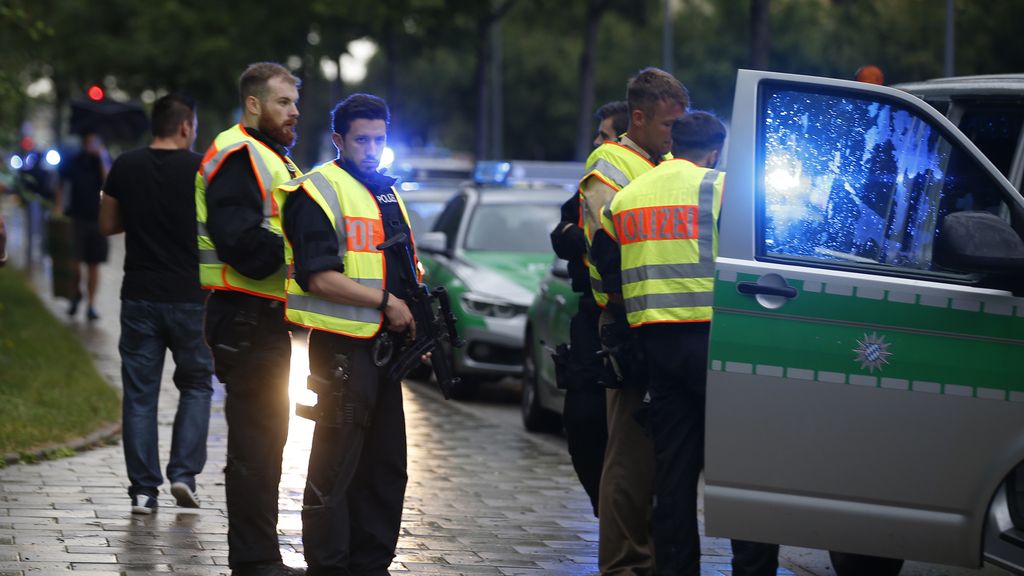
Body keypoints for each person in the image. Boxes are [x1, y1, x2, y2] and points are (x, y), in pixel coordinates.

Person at [592, 112, 780, 576]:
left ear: (674, 143)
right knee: (743, 468)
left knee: (672, 475)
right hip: (719, 344)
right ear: (714, 152)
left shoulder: (628, 197)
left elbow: (604, 270)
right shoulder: (723, 190)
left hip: (656, 347)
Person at [277, 93, 420, 576]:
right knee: (335, 467)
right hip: (342, 352)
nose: (372, 149)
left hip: (384, 351)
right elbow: (318, 277)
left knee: (386, 467)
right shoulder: (316, 191)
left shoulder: (386, 192)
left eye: (380, 140)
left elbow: (401, 269)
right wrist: (386, 303)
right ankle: (329, 566)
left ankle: (372, 565)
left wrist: (416, 324)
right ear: (339, 139)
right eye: (362, 140)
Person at [579, 67, 688, 576]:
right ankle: (624, 565)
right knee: (630, 457)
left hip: (663, 321)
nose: (674, 134)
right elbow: (608, 250)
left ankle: (649, 559)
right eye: (668, 124)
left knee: (658, 456)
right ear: (638, 118)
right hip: (628, 321)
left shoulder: (661, 162)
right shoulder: (610, 163)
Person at [196, 62, 304, 576]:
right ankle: (255, 561)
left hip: (259, 318)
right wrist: (306, 251)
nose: (294, 111)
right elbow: (240, 243)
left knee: (265, 443)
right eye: (283, 102)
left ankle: (259, 557)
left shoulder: (270, 155)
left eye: (295, 102)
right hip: (246, 317)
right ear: (254, 104)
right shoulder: (240, 154)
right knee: (256, 447)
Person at [99, 93, 214, 515]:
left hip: (139, 296)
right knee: (197, 386)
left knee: (140, 395)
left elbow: (107, 224)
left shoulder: (125, 165)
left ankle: (143, 491)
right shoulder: (204, 168)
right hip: (192, 297)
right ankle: (183, 475)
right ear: (186, 126)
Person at [549, 99, 629, 517]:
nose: (597, 142)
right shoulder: (591, 185)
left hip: (628, 320)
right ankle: (607, 510)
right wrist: (578, 237)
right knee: (581, 422)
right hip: (590, 315)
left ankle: (626, 518)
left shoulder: (637, 186)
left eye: (604, 134)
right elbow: (563, 233)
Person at [56, 131, 111, 320]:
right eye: (90, 141)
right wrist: (58, 208)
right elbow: (61, 184)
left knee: (94, 265)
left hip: (98, 219)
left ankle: (91, 305)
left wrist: (101, 156)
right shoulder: (74, 160)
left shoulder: (103, 160)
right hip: (75, 218)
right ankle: (75, 296)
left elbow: (109, 181)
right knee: (74, 264)